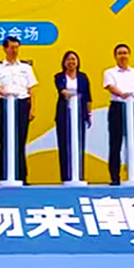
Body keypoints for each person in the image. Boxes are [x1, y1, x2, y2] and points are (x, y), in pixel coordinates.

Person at [0, 36, 37, 185]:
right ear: (5, 49)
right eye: (11, 47)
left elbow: (31, 89)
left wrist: (32, 109)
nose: (14, 50)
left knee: (20, 141)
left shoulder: (26, 68)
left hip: (22, 104)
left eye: (16, 47)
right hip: (5, 104)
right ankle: (3, 176)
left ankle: (21, 176)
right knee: (5, 140)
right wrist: (6, 93)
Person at [103, 43, 134, 185]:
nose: (123, 56)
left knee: (132, 142)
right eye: (120, 53)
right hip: (117, 107)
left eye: (125, 53)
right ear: (115, 56)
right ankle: (115, 177)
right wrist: (123, 94)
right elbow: (110, 86)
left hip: (133, 107)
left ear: (129, 55)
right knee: (115, 143)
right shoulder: (110, 72)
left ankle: (131, 175)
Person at [54, 51, 92, 183]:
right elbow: (62, 90)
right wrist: (69, 93)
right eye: (69, 59)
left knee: (79, 144)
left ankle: (79, 175)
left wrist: (88, 114)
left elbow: (88, 97)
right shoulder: (59, 76)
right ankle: (65, 176)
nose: (71, 62)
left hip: (80, 113)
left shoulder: (83, 77)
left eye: (74, 59)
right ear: (64, 62)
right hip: (64, 114)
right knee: (64, 144)